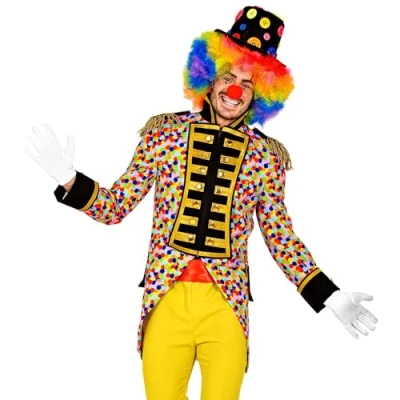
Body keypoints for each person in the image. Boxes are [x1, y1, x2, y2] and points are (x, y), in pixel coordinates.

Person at [26, 6, 378, 400]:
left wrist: (329, 295)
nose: (235, 91)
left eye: (247, 85)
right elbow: (116, 207)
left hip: (226, 306)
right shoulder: (164, 135)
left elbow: (281, 238)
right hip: (165, 298)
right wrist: (68, 178)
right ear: (208, 78)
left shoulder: (267, 157)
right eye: (228, 78)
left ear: (260, 95)